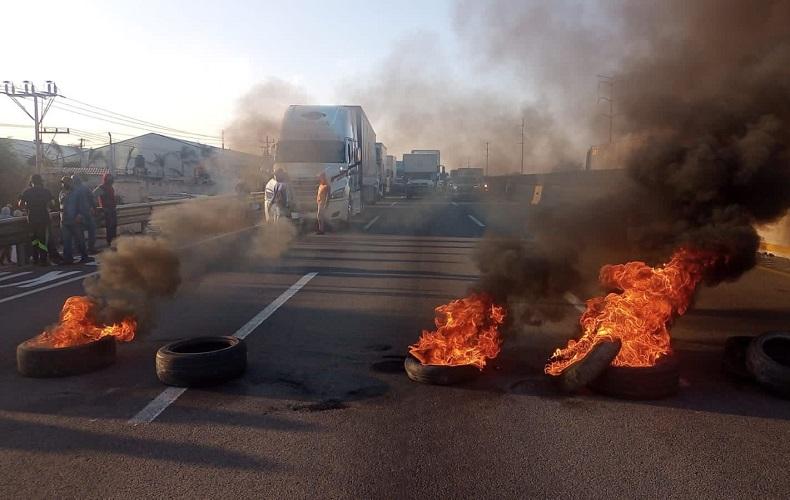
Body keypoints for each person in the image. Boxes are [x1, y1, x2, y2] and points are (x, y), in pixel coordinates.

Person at [19, 174, 56, 266]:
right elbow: (52, 203)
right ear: (41, 181)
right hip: (44, 217)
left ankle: (35, 258)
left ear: (31, 182)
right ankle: (43, 259)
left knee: (34, 239)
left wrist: (26, 208)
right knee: (42, 239)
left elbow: (20, 204)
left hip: (31, 218)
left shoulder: (27, 192)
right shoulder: (46, 191)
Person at [59, 176, 88, 264]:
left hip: (75, 219)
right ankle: (68, 258)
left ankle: (84, 256)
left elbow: (83, 204)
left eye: (65, 182)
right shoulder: (61, 193)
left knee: (80, 239)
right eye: (63, 182)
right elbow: (61, 205)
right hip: (64, 219)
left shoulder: (77, 192)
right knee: (66, 240)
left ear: (70, 182)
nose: (64, 184)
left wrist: (80, 214)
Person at [70, 175, 97, 254]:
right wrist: (94, 209)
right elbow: (92, 199)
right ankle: (90, 248)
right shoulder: (84, 188)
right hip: (85, 213)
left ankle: (80, 249)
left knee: (79, 232)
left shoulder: (73, 189)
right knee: (91, 230)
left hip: (79, 214)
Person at [93, 173, 118, 246]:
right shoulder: (102, 187)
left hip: (112, 209)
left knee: (114, 226)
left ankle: (113, 242)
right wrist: (94, 206)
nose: (110, 180)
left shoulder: (111, 187)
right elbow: (92, 195)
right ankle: (110, 243)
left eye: (111, 178)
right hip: (107, 210)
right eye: (109, 178)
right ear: (106, 179)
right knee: (110, 227)